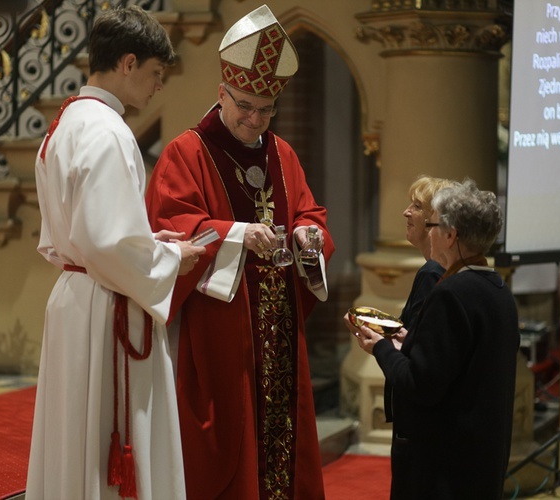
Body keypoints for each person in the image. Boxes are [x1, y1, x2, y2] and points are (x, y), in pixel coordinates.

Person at [144, 5, 334, 499]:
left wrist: (307, 237)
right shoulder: (186, 153)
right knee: (228, 443)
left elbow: (311, 215)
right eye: (245, 105)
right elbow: (172, 229)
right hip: (219, 330)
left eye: (267, 109)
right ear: (222, 93)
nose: (255, 120)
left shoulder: (282, 154)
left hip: (278, 327)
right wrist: (237, 235)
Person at [27, 6, 205, 499]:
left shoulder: (65, 122)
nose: (157, 87)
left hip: (74, 298)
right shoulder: (109, 131)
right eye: (155, 73)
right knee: (112, 435)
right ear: (128, 63)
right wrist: (171, 259)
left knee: (74, 440)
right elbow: (107, 245)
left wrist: (148, 243)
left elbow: (86, 234)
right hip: (107, 307)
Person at [345, 179, 518, 499]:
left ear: (450, 236)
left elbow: (419, 383)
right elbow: (459, 364)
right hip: (481, 458)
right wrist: (409, 338)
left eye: (434, 225)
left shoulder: (451, 294)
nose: (430, 231)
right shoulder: (498, 290)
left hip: (443, 465)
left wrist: (380, 347)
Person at [399, 175, 456, 330]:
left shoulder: (432, 273)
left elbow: (417, 345)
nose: (406, 212)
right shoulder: (442, 269)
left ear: (435, 217)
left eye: (417, 206)